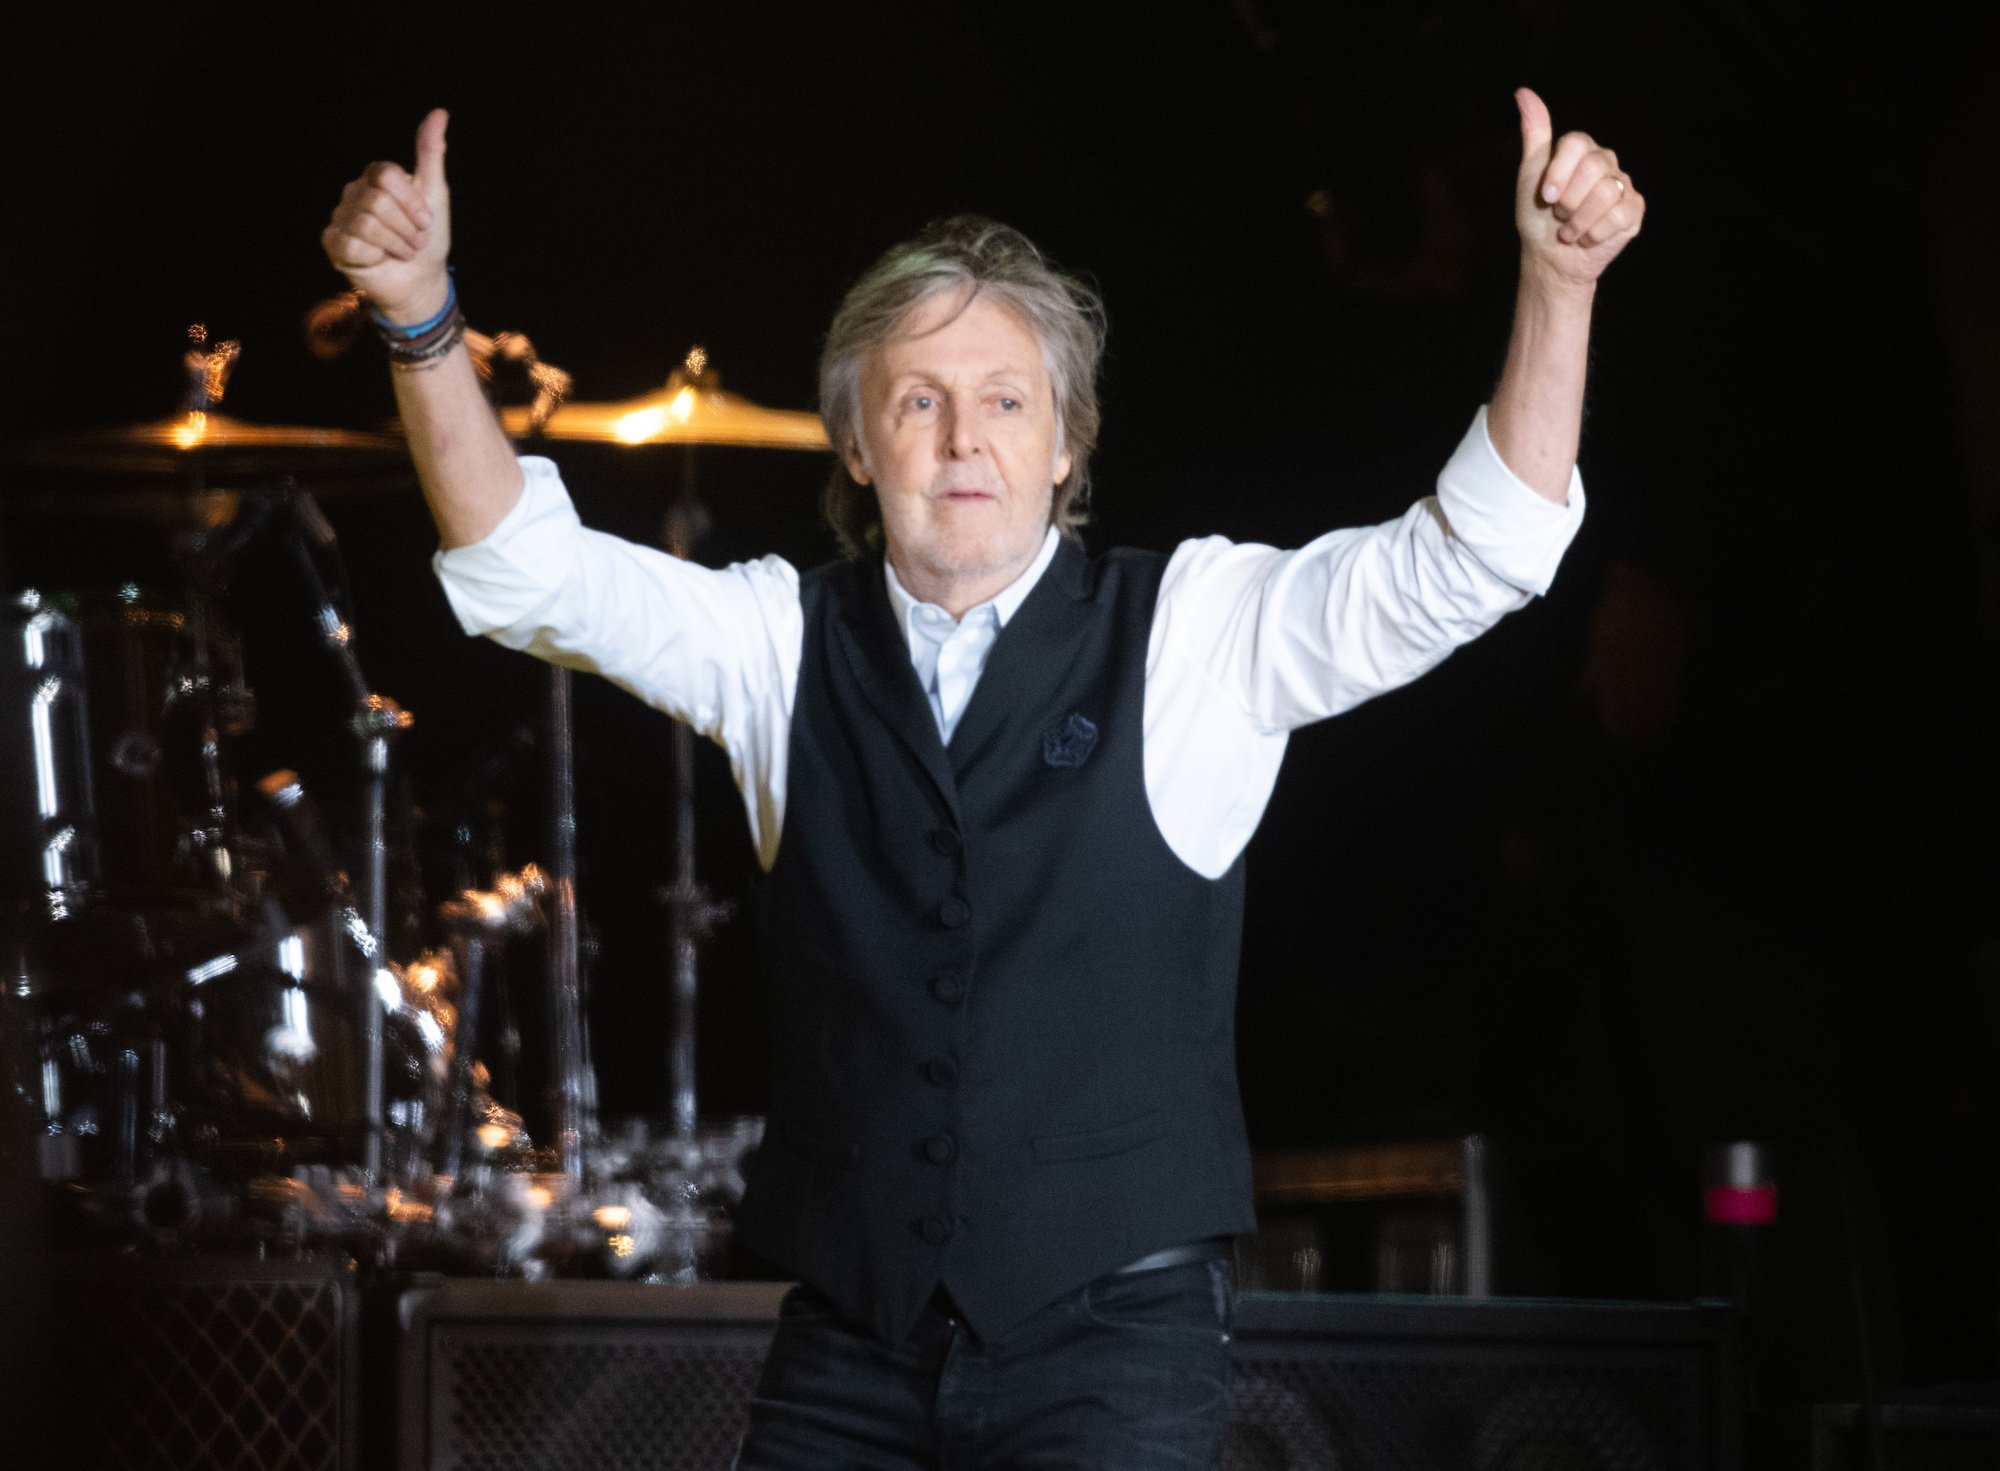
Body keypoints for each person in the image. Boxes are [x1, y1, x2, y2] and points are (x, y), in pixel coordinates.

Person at [322, 91, 1641, 1469]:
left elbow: (1473, 556)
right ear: (856, 445)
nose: (964, 441)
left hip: (1116, 1355)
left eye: (1007, 402)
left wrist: (1557, 285)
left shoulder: (1198, 629)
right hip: (847, 1342)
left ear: (1065, 444)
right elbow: (527, 572)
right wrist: (420, 321)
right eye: (920, 403)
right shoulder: (776, 644)